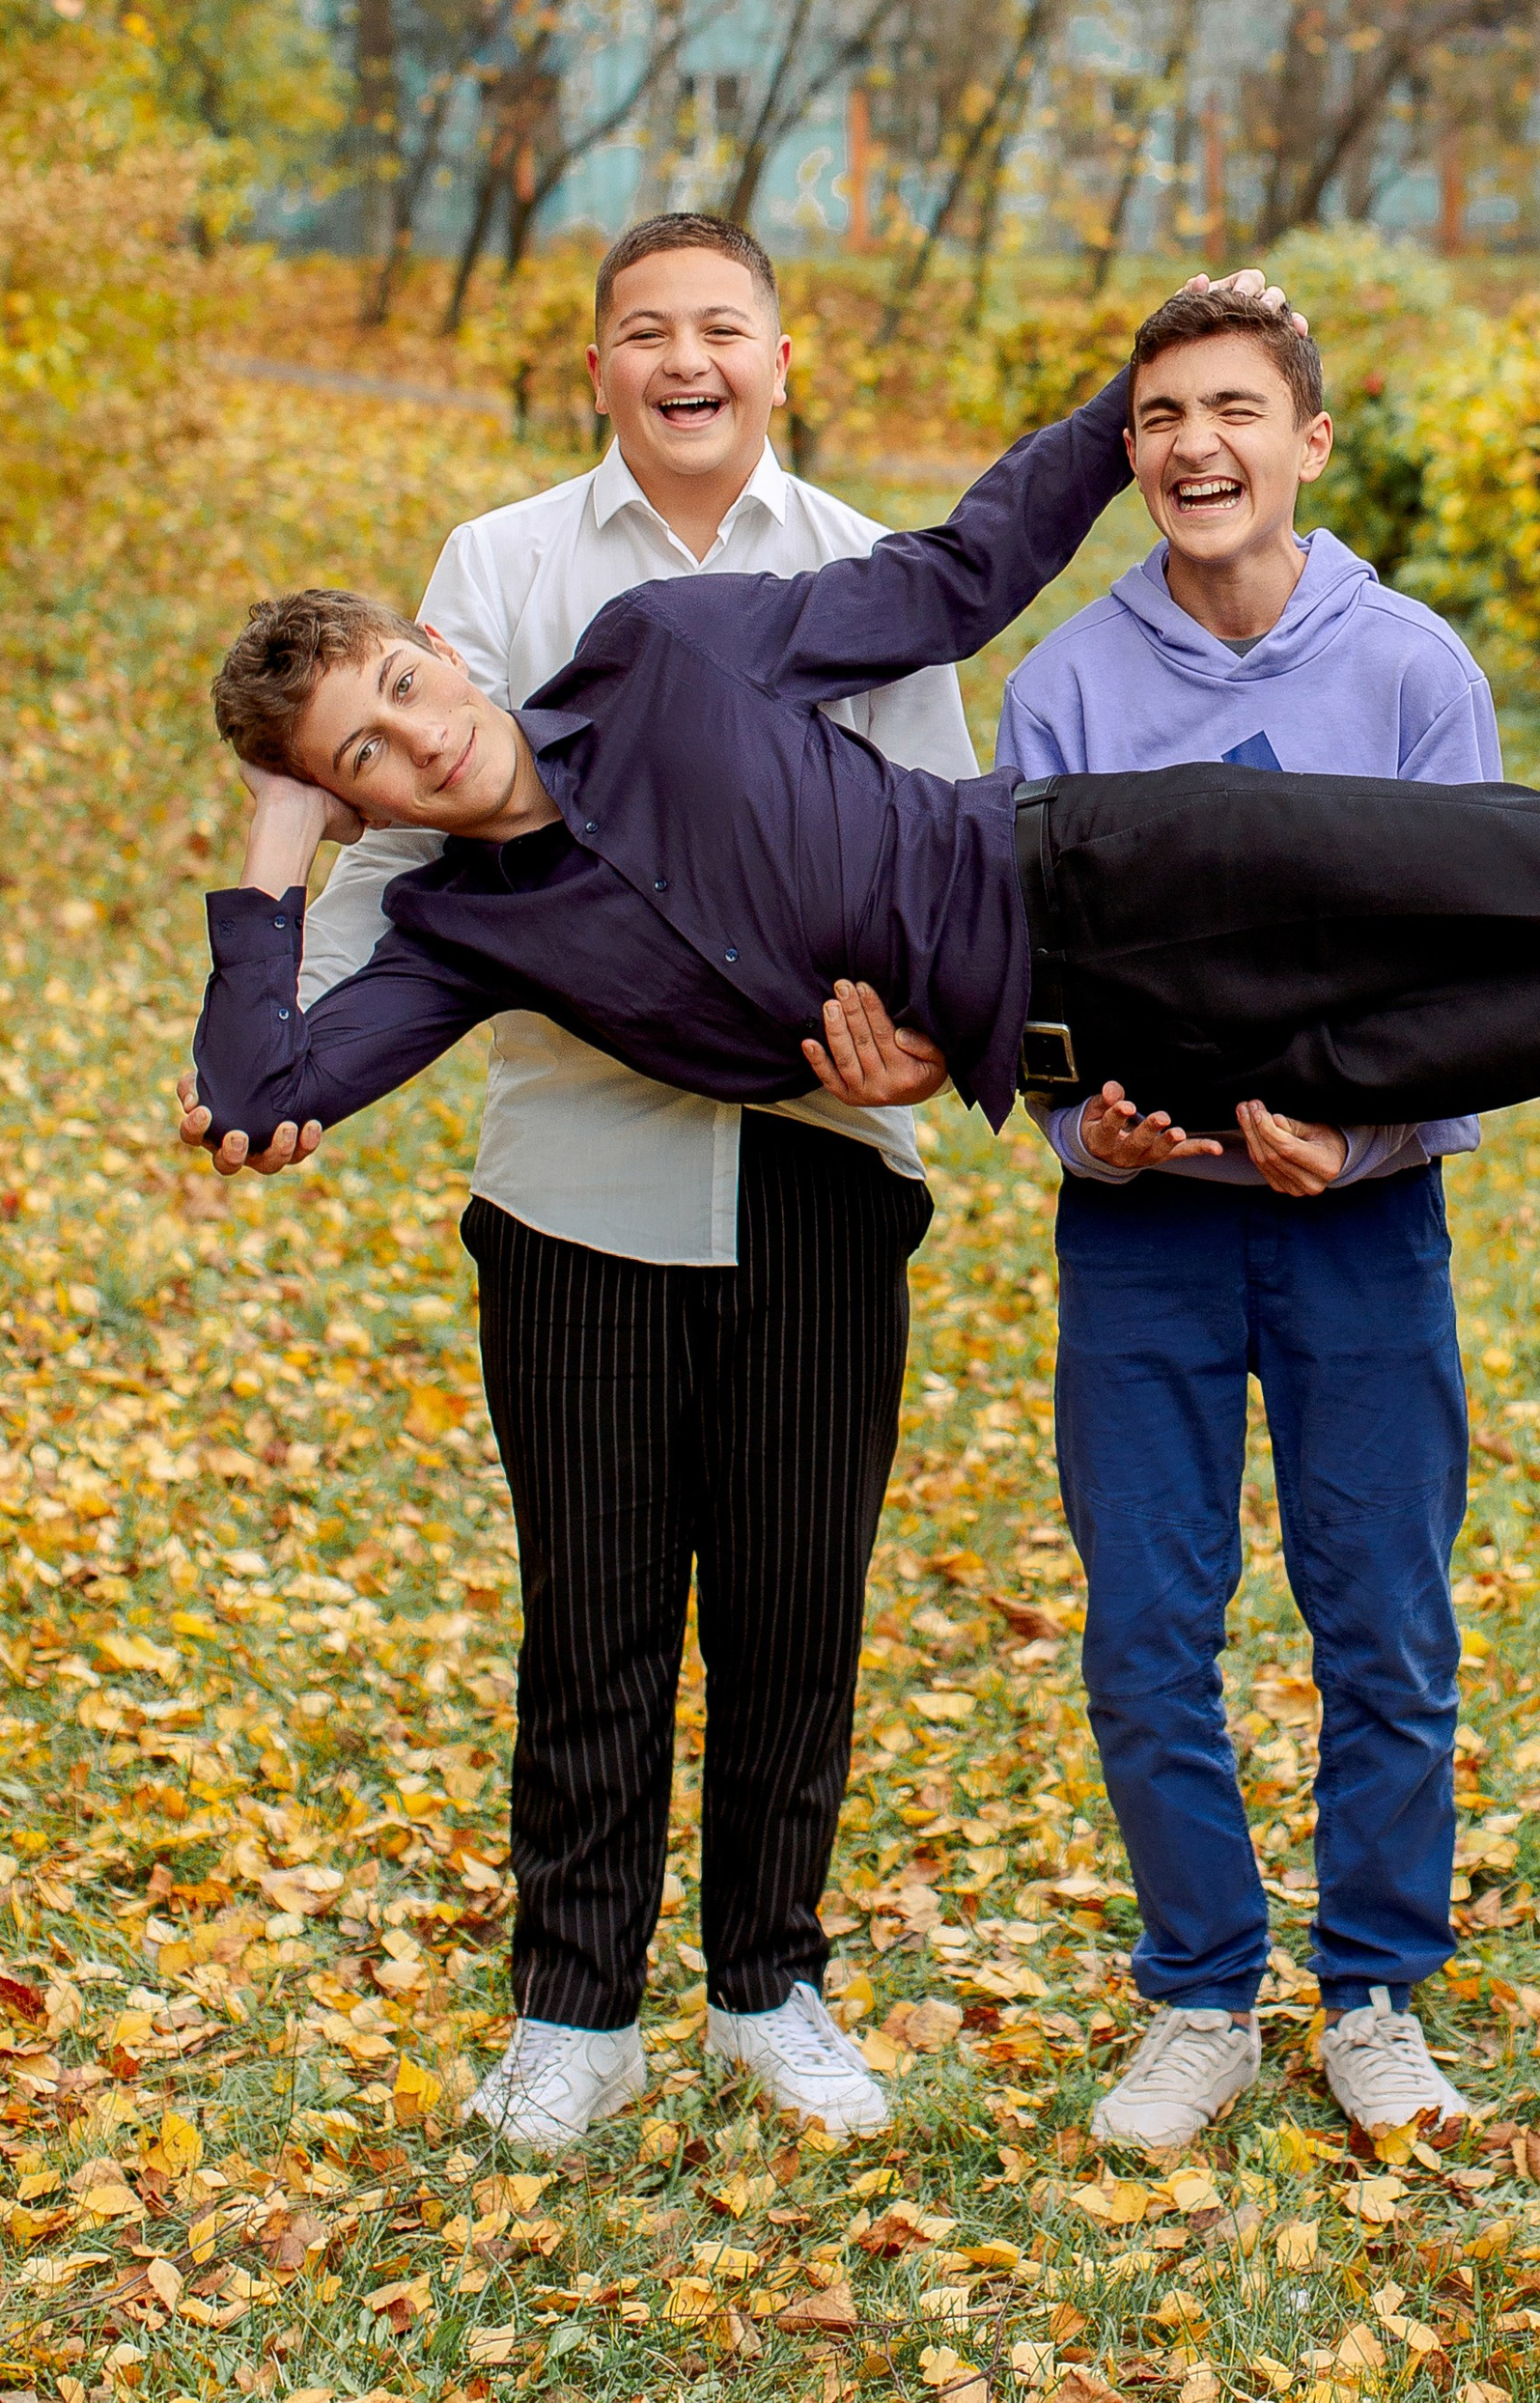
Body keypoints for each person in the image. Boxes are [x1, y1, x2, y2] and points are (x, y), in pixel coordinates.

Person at [187, 335, 1540, 1232]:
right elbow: (262, 1094)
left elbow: (962, 582)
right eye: (356, 757)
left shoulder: (657, 657)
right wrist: (272, 854)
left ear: (443, 641)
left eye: (395, 685)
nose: (409, 735)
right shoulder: (465, 939)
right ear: (356, 802)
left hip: (1145, 869)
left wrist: (1136, 375)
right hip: (1132, 1056)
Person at [180, 214, 979, 2159]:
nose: (683, 358)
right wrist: (290, 859)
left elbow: (949, 861)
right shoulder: (498, 570)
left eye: (720, 326)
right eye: (644, 332)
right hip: (571, 1192)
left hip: (813, 1164)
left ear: (778, 358)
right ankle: (575, 2009)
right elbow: (406, 869)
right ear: (599, 367)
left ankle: (769, 1983)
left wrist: (932, 1053)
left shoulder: (848, 564)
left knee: (794, 1605)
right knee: (596, 1610)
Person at [995, 279, 1494, 2152]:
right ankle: (1196, 1992)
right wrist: (1080, 1129)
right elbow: (1016, 964)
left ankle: (1372, 1992)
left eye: (1230, 409)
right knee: (1145, 1628)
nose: (1193, 446)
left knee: (1379, 1619)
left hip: (1360, 1227)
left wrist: (1362, 1140)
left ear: (1307, 440)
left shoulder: (1410, 674)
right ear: (1126, 456)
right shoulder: (1063, 686)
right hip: (1142, 1235)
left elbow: (1485, 963)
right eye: (1156, 419)